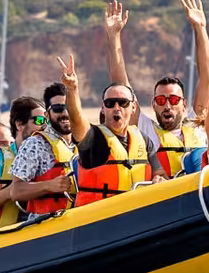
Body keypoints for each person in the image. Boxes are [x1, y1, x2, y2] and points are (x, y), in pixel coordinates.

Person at [102, 0, 209, 179]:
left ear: (184, 105)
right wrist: (114, 36)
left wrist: (200, 28)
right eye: (161, 100)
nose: (167, 106)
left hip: (199, 194)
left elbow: (208, 79)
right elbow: (121, 84)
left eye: (174, 100)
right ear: (154, 104)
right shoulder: (145, 129)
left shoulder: (197, 124)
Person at [59, 51, 149, 205]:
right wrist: (72, 89)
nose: (116, 108)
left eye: (123, 103)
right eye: (110, 103)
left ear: (133, 107)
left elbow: (159, 172)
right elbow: (76, 119)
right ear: (102, 108)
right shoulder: (93, 140)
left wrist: (159, 178)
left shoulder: (143, 139)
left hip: (136, 216)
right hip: (99, 218)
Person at [8, 94, 75, 219]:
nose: (44, 125)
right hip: (46, 225)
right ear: (19, 125)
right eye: (39, 120)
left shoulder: (78, 143)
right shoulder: (34, 144)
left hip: (75, 220)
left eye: (46, 120)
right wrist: (48, 185)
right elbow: (15, 191)